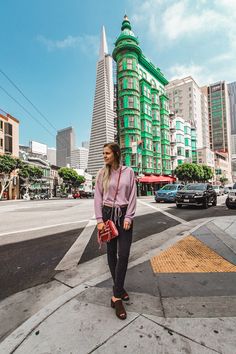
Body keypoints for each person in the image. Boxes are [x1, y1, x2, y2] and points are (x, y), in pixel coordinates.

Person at [94, 142, 137, 320]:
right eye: (103, 153)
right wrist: (99, 220)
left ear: (116, 154)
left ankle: (116, 293)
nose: (104, 156)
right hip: (107, 214)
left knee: (124, 254)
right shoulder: (102, 173)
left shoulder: (129, 172)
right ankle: (118, 294)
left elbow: (133, 194)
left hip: (123, 213)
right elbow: (97, 196)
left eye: (107, 153)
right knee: (111, 254)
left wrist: (129, 217)